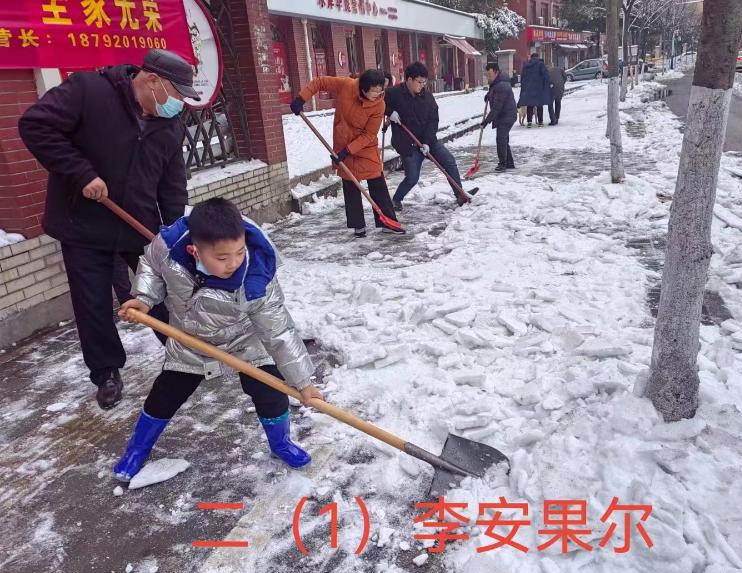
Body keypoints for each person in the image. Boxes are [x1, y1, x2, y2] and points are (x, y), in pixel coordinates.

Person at [18, 49, 199, 410]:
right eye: (177, 94)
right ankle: (106, 372)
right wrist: (81, 173)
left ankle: (184, 351)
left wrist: (171, 230)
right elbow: (35, 125)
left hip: (139, 224)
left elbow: (171, 181)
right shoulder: (88, 91)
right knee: (92, 302)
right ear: (151, 80)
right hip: (84, 223)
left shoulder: (169, 123)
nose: (178, 104)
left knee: (162, 289)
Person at [114, 197, 323, 481]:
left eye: (239, 252)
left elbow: (279, 331)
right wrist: (144, 298)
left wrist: (303, 382)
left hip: (245, 342)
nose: (234, 263)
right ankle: (137, 449)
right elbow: (150, 264)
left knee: (271, 394)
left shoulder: (256, 278)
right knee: (164, 396)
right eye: (223, 258)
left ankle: (281, 443)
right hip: (190, 341)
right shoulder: (169, 247)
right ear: (194, 251)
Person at [290, 70, 400, 238]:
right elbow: (320, 82)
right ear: (363, 89)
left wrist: (347, 151)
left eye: (381, 91)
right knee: (350, 184)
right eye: (375, 91)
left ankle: (387, 221)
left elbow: (369, 135)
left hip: (365, 147)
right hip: (343, 141)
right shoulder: (347, 85)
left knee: (377, 181)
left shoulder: (379, 105)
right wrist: (301, 98)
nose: (379, 94)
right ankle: (358, 226)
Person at [384, 62, 476, 211]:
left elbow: (433, 120)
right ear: (409, 80)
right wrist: (389, 112)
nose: (422, 85)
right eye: (419, 82)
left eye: (424, 82)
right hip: (408, 143)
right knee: (412, 177)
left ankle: (460, 194)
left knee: (449, 161)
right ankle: (396, 200)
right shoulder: (394, 93)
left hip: (428, 141)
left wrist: (427, 142)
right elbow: (377, 103)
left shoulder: (427, 97)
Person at [481, 63, 517, 172]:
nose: (488, 77)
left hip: (507, 115)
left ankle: (502, 164)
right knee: (504, 138)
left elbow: (496, 108)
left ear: (496, 72)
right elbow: (494, 91)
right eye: (487, 75)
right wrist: (489, 95)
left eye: (490, 75)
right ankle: (509, 163)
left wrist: (486, 121)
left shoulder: (502, 85)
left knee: (501, 139)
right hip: (506, 114)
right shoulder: (498, 82)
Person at [519, 52, 551, 128]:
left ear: (531, 58)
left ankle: (529, 122)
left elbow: (522, 77)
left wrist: (524, 87)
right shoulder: (541, 64)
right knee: (539, 106)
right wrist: (546, 85)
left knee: (530, 105)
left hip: (529, 89)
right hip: (539, 88)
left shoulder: (526, 66)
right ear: (537, 57)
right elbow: (546, 76)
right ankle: (540, 122)